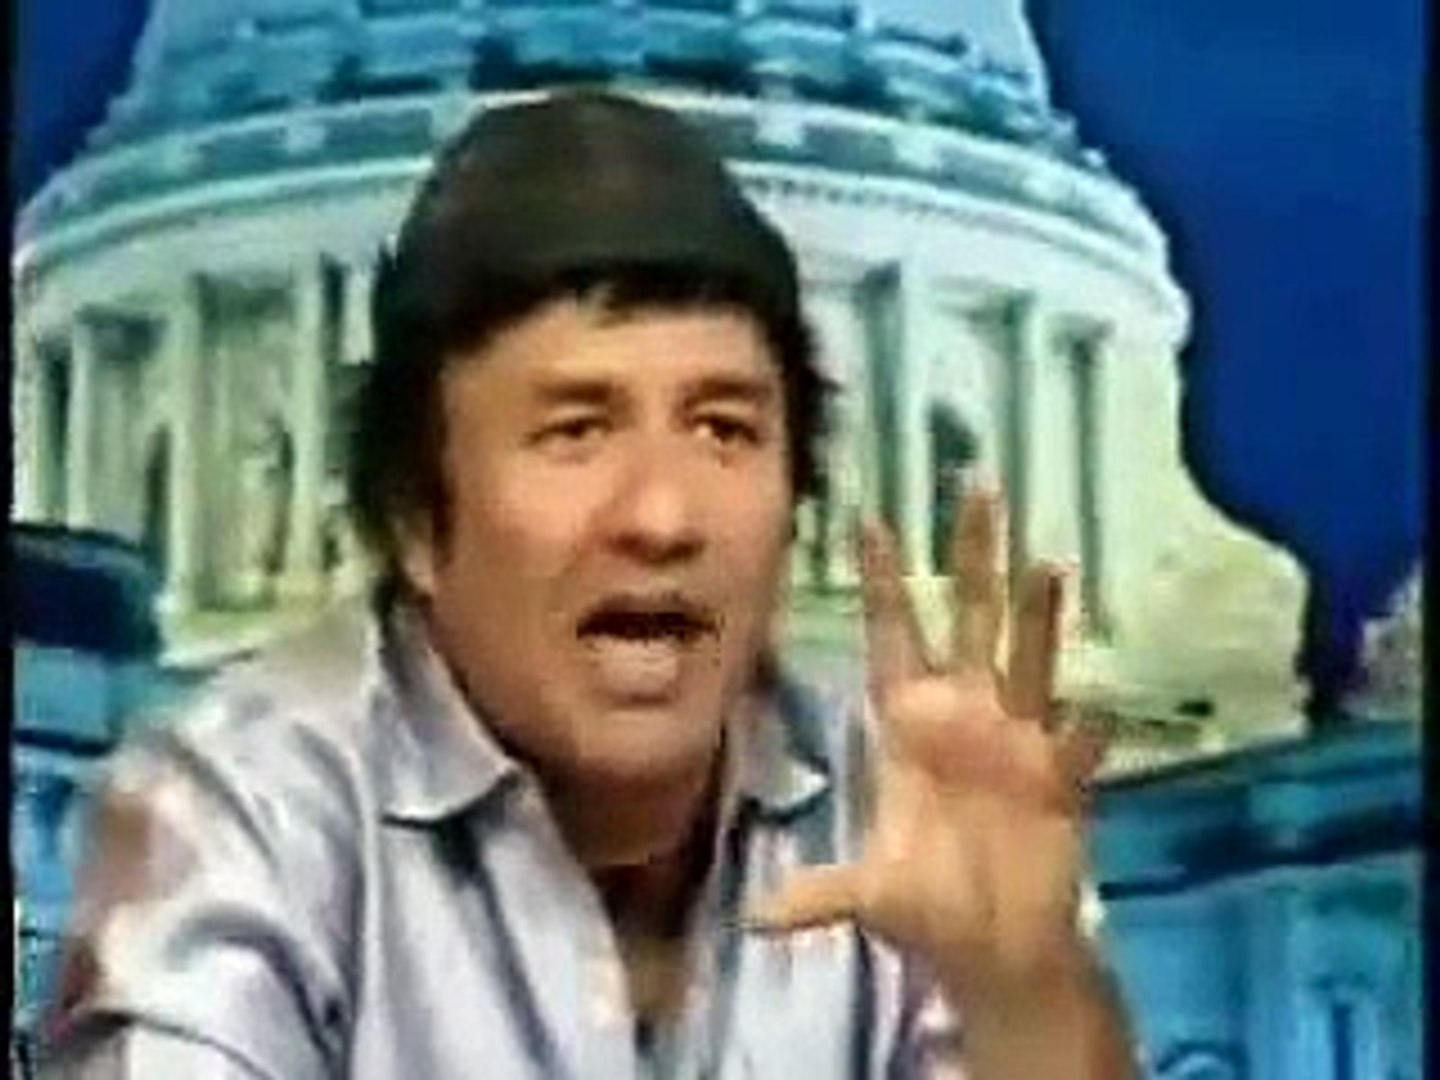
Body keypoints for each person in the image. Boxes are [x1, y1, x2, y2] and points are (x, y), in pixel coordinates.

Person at [42, 90, 1137, 1078]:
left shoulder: (924, 811)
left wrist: (1029, 1001)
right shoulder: (235, 804)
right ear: (414, 517)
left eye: (724, 429)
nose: (662, 517)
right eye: (576, 430)